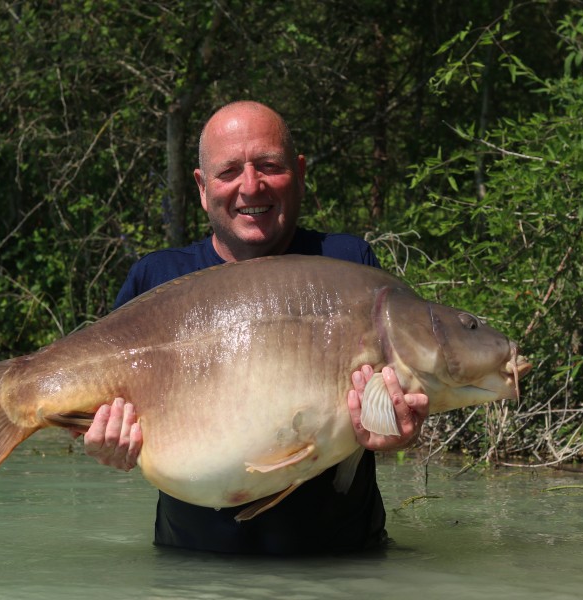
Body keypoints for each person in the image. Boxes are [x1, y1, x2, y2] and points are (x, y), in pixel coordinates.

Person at [82, 101, 429, 554]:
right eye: (229, 172)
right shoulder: (156, 279)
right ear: (203, 188)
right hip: (190, 571)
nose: (251, 186)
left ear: (300, 173)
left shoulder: (348, 266)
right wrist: (106, 444)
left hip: (345, 567)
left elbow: (390, 402)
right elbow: (96, 413)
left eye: (269, 166)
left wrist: (397, 429)